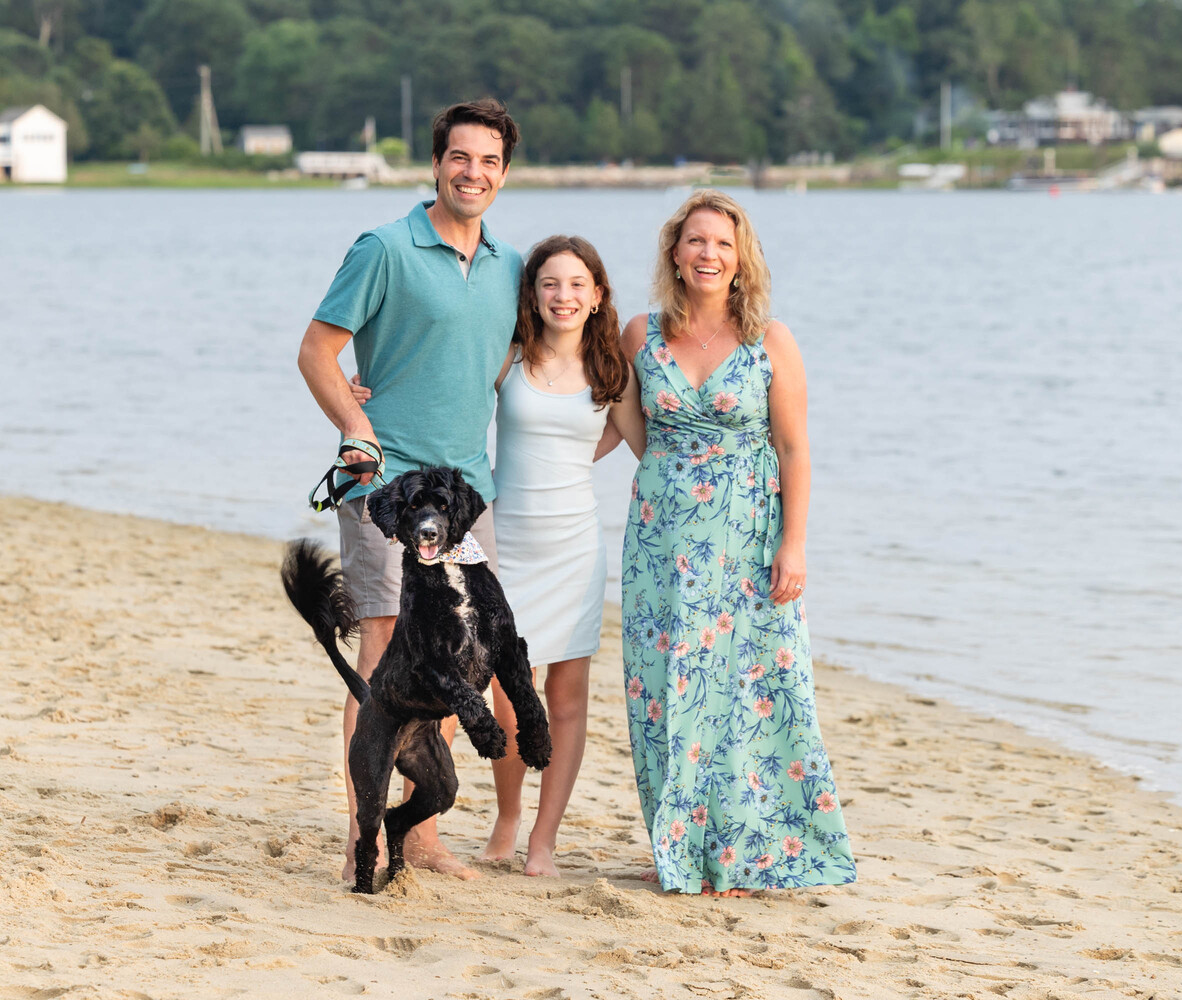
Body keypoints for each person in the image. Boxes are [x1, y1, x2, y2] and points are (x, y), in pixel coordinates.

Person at [351, 236, 645, 877]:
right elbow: (443, 388)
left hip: (575, 544)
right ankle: (506, 819)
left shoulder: (611, 372)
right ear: (532, 294)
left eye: (576, 285)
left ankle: (544, 838)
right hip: (504, 539)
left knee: (565, 696)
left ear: (598, 297)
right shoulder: (509, 357)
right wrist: (365, 394)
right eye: (549, 284)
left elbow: (645, 441)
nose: (563, 297)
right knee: (509, 692)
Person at [297, 98, 523, 884]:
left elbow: (504, 359)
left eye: (490, 161)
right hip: (385, 490)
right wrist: (358, 424)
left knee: (464, 659)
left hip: (466, 498)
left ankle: (420, 834)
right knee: (387, 651)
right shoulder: (385, 249)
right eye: (461, 157)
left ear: (503, 172)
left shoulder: (511, 267)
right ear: (437, 163)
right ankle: (363, 831)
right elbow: (318, 352)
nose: (474, 173)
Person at [619, 190, 856, 896]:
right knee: (665, 689)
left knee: (749, 688)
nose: (708, 254)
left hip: (751, 537)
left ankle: (743, 847)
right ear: (674, 251)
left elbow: (794, 447)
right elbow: (627, 427)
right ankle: (678, 843)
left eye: (722, 243)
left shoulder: (769, 339)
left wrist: (795, 544)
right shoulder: (640, 333)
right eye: (696, 241)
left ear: (740, 255)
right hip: (661, 540)